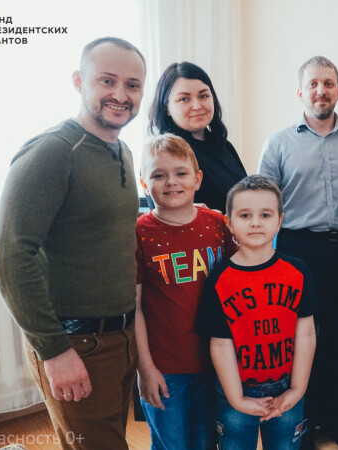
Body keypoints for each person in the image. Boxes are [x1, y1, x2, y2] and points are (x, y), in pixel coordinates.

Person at [0, 37, 147, 449]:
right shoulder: (53, 152)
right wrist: (55, 351)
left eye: (132, 85)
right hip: (77, 342)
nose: (120, 94)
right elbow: (9, 257)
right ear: (79, 81)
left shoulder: (122, 151)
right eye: (107, 81)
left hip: (121, 336)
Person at [258, 55, 338, 450]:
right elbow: (263, 204)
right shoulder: (278, 143)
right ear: (300, 93)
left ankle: (333, 421)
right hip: (295, 252)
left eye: (327, 83)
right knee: (297, 342)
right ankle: (302, 427)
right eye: (312, 84)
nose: (320, 91)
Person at [197, 175, 316, 449]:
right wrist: (237, 398)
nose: (255, 222)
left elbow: (306, 334)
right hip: (235, 389)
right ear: (229, 223)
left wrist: (297, 389)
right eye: (245, 215)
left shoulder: (297, 271)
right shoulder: (220, 278)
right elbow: (220, 344)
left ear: (279, 221)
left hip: (287, 386)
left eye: (265, 214)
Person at [135, 134, 237, 448]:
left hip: (215, 361)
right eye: (158, 175)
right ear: (144, 183)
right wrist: (145, 369)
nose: (171, 182)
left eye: (181, 173)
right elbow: (134, 308)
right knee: (171, 443)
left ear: (197, 179)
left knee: (206, 440)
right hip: (165, 368)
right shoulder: (139, 233)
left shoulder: (218, 224)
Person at [149, 61, 246, 213]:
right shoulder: (163, 154)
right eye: (184, 99)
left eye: (203, 96)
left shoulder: (224, 146)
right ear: (166, 107)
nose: (197, 106)